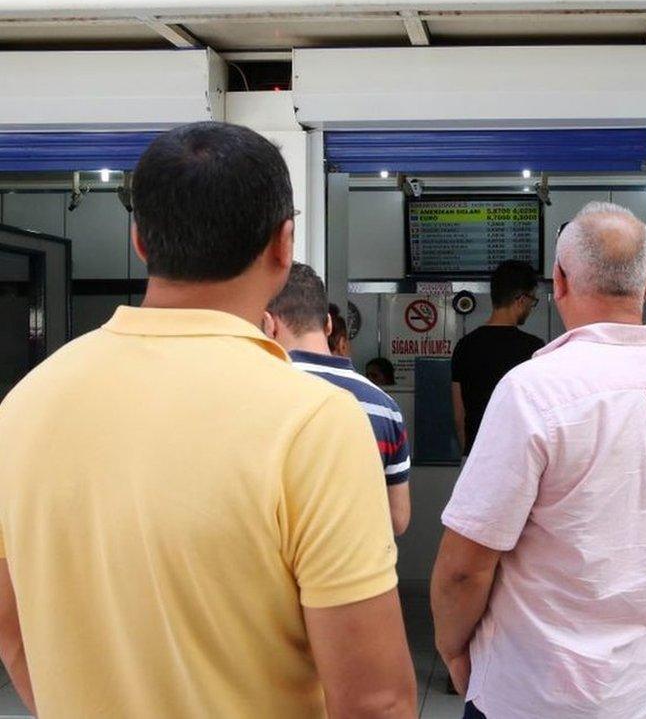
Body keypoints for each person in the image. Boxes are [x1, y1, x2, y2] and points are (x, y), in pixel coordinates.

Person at [0, 123, 415, 718]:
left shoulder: (24, 406)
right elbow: (375, 701)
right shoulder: (313, 422)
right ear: (284, 243)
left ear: (140, 239)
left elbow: (12, 632)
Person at [431, 202, 646, 719]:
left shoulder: (533, 391)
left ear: (560, 281)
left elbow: (465, 567)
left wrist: (453, 648)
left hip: (528, 692)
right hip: (640, 691)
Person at [265, 263, 412, 535]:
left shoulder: (257, 394)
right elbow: (398, 520)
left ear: (269, 324)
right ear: (329, 324)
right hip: (361, 568)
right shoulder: (384, 407)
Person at [451, 259, 544, 457]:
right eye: (532, 301)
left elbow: (459, 415)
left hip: (475, 455)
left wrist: (468, 453)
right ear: (521, 299)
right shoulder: (534, 349)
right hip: (519, 458)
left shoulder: (465, 346)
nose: (531, 307)